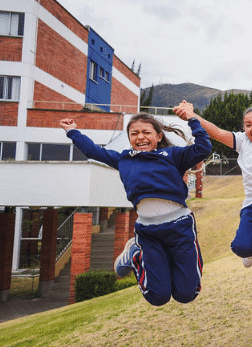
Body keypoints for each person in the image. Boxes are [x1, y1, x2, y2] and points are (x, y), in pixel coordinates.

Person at [60, 112, 212, 306]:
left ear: (158, 136)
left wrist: (192, 119)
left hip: (179, 228)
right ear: (130, 138)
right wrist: (73, 131)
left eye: (146, 132)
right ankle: (134, 254)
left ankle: (173, 269)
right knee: (157, 297)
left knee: (186, 294)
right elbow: (93, 152)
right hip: (149, 232)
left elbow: (203, 148)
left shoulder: (174, 156)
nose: (140, 137)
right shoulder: (124, 160)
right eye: (134, 133)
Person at [173, 101, 252, 286]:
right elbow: (217, 132)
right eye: (248, 125)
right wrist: (192, 115)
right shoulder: (243, 141)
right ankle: (249, 248)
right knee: (240, 248)